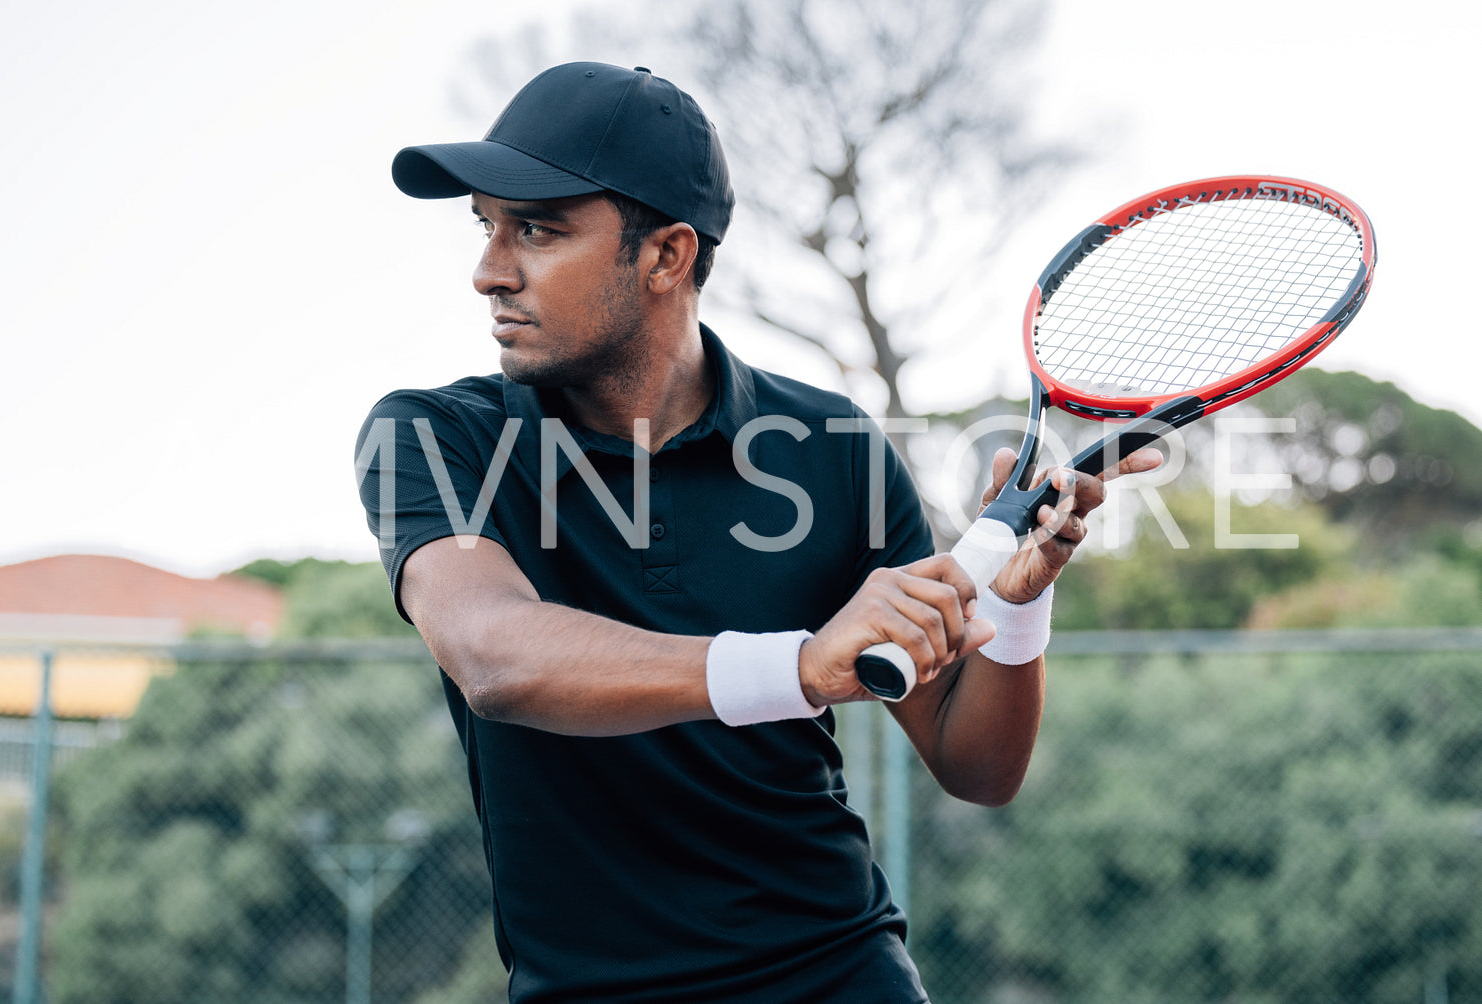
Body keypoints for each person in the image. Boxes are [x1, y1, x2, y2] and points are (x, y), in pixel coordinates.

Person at [357, 61, 1158, 1003]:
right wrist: (802, 664)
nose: (490, 270)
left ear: (666, 256)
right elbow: (497, 659)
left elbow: (975, 765)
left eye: (536, 229)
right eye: (487, 226)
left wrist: (1019, 610)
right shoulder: (431, 435)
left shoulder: (828, 447)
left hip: (841, 973)